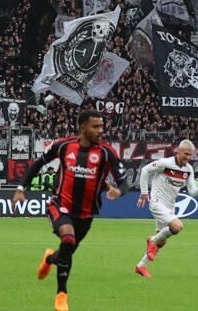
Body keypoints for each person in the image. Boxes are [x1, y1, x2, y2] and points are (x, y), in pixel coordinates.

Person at [12, 109, 123, 311]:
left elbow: (124, 182)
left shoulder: (107, 153)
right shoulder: (63, 145)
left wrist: (118, 190)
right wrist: (21, 188)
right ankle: (61, 295)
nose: (101, 130)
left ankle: (49, 258)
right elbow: (38, 163)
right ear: (82, 128)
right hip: (60, 205)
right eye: (95, 126)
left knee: (65, 254)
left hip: (86, 214)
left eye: (102, 126)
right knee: (68, 239)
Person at [135, 138, 198, 277]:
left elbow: (192, 192)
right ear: (178, 151)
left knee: (162, 241)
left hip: (170, 206)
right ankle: (151, 240)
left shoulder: (188, 169)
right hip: (157, 202)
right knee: (177, 226)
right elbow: (146, 170)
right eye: (186, 154)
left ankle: (141, 266)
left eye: (190, 155)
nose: (188, 158)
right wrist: (143, 192)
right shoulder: (165, 163)